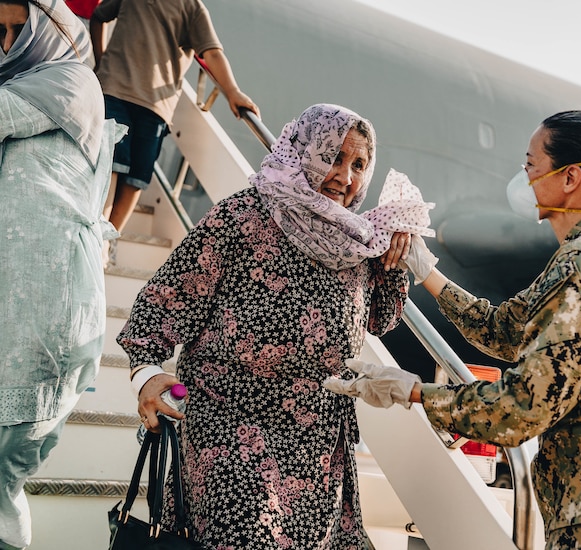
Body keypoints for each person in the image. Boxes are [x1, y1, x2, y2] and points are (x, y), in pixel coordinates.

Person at [325, 110, 581, 549]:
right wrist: (425, 270)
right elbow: (504, 330)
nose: (524, 176)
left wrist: (411, 391)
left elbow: (521, 408)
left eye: (531, 164)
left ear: (569, 178)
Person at [117, 103, 435, 549]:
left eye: (358, 164)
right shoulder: (245, 216)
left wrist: (393, 257)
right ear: (305, 152)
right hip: (229, 424)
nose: (345, 176)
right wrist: (147, 375)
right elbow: (163, 301)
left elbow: (381, 320)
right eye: (333, 157)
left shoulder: (358, 239)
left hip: (316, 443)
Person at [0, 1, 122, 548]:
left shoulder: (71, 81)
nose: (5, 43)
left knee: (5, 468)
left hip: (48, 301)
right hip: (14, 294)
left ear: (47, 30)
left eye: (15, 29)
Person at [89, 0, 260, 241]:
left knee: (136, 178)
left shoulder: (193, 9)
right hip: (115, 88)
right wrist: (100, 60)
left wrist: (232, 91)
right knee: (111, 165)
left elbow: (211, 52)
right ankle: (96, 238)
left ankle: (106, 241)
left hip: (156, 104)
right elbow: (98, 16)